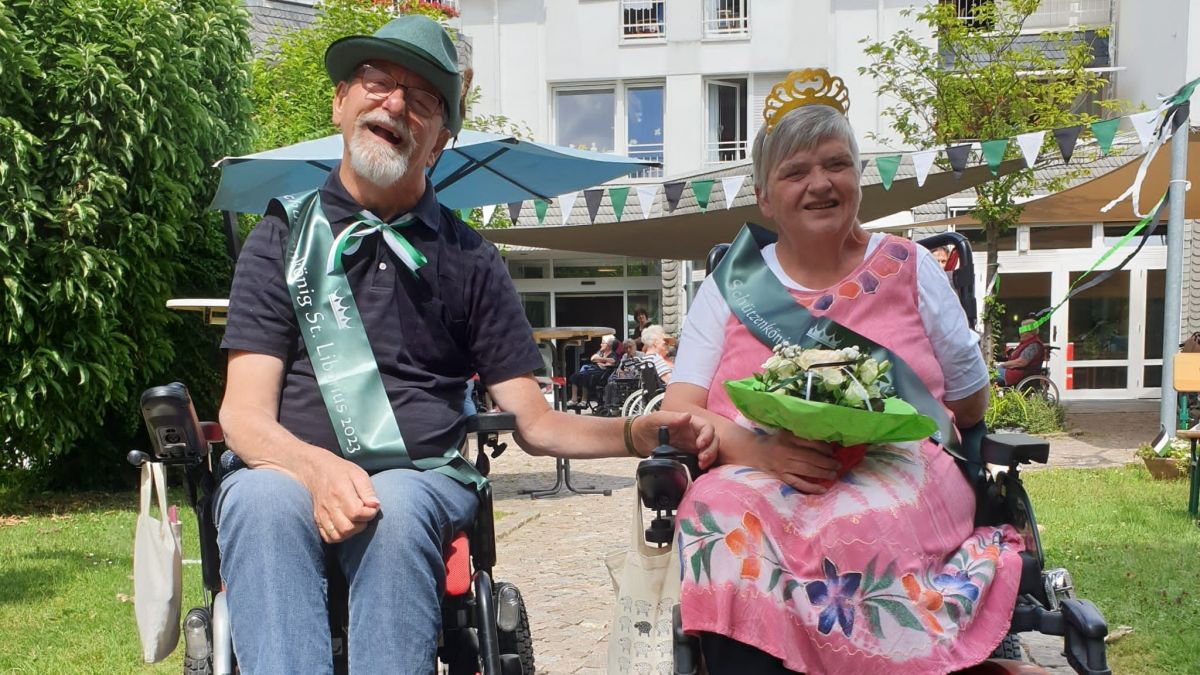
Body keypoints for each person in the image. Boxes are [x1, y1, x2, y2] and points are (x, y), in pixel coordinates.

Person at [213, 16, 716, 674]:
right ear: (341, 101)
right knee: (257, 499)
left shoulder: (470, 258)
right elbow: (242, 413)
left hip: (419, 479)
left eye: (422, 100)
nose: (395, 102)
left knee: (392, 506)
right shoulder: (281, 238)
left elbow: (533, 422)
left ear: (439, 142)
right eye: (377, 82)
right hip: (288, 470)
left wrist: (635, 432)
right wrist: (315, 470)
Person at [662, 69, 1023, 674]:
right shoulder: (732, 288)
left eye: (835, 164)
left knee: (858, 525)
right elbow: (681, 411)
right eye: (795, 171)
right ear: (765, 197)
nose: (819, 184)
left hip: (901, 465)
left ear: (858, 178)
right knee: (717, 515)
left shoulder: (910, 268)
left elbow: (967, 406)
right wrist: (759, 450)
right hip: (761, 462)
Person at [566, 334, 618, 409]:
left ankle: (584, 400)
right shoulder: (601, 352)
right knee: (575, 375)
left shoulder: (613, 354)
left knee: (585, 376)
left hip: (602, 375)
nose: (601, 344)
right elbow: (593, 358)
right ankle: (574, 399)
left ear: (608, 345)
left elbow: (607, 366)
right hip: (593, 371)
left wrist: (599, 360)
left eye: (603, 343)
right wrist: (605, 360)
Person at [997, 318, 1047, 386]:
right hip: (1015, 372)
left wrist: (1003, 365)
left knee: (990, 374)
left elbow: (1021, 362)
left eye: (1022, 330)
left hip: (1020, 375)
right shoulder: (1026, 343)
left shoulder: (1034, 345)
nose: (1020, 333)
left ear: (1030, 332)